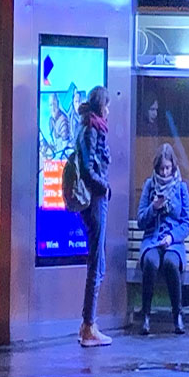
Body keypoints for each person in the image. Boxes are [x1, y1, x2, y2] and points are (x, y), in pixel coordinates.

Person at [135, 143, 189, 335]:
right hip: (152, 240)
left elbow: (187, 223)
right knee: (151, 262)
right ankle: (146, 315)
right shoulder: (149, 185)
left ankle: (177, 314)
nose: (165, 172)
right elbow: (141, 221)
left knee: (170, 263)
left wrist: (172, 237)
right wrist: (153, 208)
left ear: (173, 167)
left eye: (168, 168)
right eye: (161, 168)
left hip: (173, 243)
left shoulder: (181, 188)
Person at [76, 85, 113, 347]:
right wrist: (105, 187)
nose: (109, 110)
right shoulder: (91, 130)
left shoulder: (90, 127)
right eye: (107, 105)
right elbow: (89, 170)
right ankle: (89, 325)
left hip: (96, 201)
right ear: (100, 106)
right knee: (96, 262)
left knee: (97, 260)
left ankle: (89, 324)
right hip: (95, 202)